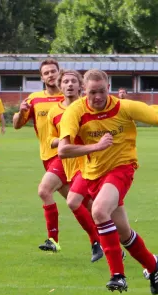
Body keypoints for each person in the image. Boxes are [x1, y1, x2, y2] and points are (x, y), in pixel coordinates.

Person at [58, 69, 158, 295]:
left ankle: (117, 275)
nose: (98, 97)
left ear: (108, 87)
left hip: (122, 168)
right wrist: (95, 147)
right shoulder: (75, 111)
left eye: (102, 91)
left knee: (100, 211)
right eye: (93, 92)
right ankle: (152, 265)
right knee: (123, 233)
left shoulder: (124, 107)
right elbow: (63, 150)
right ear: (85, 91)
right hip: (93, 174)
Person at [46, 69, 104, 262]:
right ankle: (106, 242)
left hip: (88, 163)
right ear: (60, 86)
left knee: (80, 203)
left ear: (81, 86)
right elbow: (51, 140)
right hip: (67, 162)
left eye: (73, 81)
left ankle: (98, 242)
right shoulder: (55, 112)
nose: (69, 85)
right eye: (65, 82)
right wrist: (63, 141)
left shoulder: (87, 107)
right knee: (89, 207)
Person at [12, 58, 67, 253]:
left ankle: (53, 240)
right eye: (47, 73)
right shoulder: (34, 99)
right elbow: (17, 125)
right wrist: (20, 112)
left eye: (53, 71)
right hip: (47, 156)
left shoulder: (69, 96)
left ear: (59, 73)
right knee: (80, 204)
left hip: (66, 155)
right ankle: (103, 241)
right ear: (42, 77)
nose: (51, 75)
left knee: (44, 191)